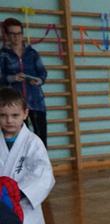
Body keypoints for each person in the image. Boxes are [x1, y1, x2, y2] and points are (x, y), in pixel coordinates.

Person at [0, 87, 54, 224]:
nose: (9, 120)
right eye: (3, 115)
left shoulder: (32, 142)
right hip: (1, 206)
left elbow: (43, 174)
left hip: (23, 205)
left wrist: (17, 192)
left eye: (14, 115)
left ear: (25, 113)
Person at [0, 18, 47, 146]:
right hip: (14, 105)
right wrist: (12, 78)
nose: (16, 37)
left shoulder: (32, 53)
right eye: (12, 34)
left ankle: (40, 160)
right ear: (6, 35)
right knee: (18, 140)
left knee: (40, 139)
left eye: (19, 33)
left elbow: (43, 73)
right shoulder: (3, 55)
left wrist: (38, 80)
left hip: (36, 102)